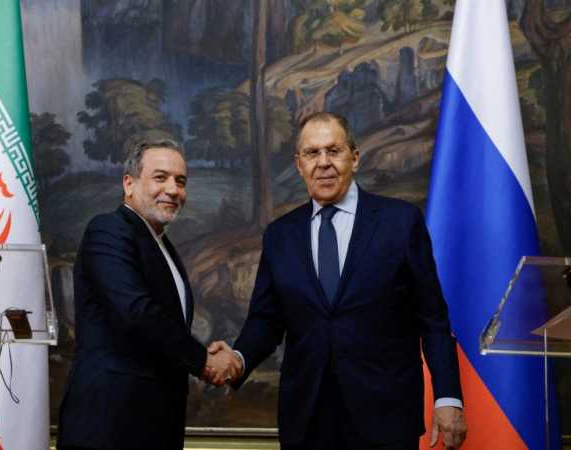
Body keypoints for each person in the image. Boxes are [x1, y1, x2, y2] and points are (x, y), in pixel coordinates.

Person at [210, 113, 468, 450]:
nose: (323, 163)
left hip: (385, 417)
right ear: (299, 164)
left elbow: (432, 319)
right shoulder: (280, 235)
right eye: (312, 153)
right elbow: (266, 320)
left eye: (334, 150)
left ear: (354, 158)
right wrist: (238, 357)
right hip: (308, 420)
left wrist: (448, 397)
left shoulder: (400, 222)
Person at [57, 139, 241, 450]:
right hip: (108, 426)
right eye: (160, 177)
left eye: (180, 181)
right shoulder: (108, 230)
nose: (173, 189)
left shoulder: (162, 245)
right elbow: (136, 312)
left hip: (155, 425)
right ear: (129, 184)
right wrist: (204, 361)